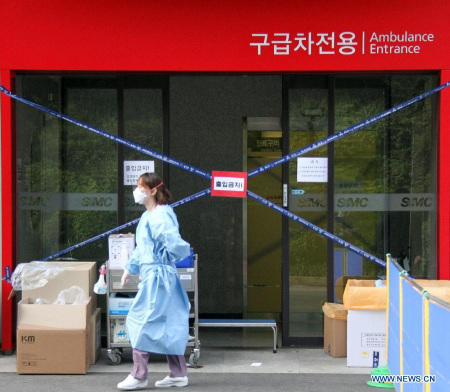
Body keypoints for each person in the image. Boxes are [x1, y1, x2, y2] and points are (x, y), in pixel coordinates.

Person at [117, 173, 191, 390]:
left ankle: (139, 375)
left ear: (153, 191)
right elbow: (143, 249)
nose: (137, 190)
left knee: (140, 321)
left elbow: (172, 242)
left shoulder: (160, 216)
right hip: (156, 276)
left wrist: (171, 257)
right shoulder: (149, 216)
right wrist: (130, 269)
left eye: (141, 186)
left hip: (158, 278)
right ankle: (178, 374)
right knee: (169, 323)